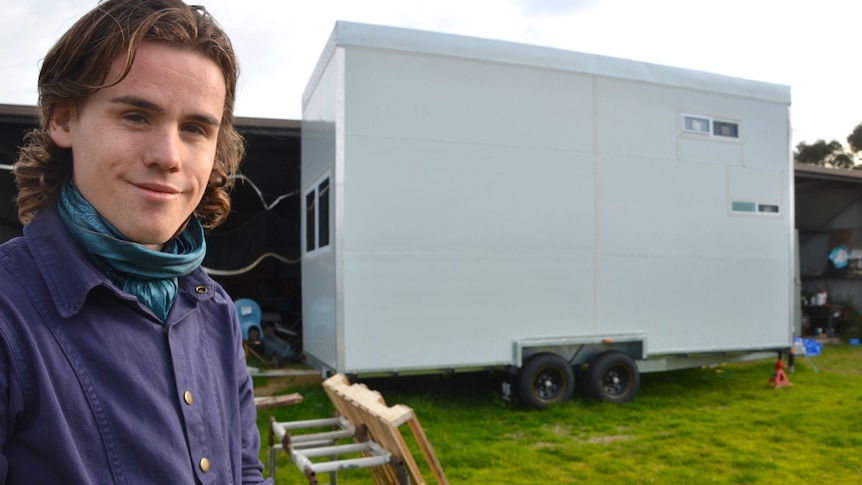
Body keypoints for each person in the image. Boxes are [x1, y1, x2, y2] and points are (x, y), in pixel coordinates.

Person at [0, 0, 273, 483]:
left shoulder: (215, 310)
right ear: (63, 120)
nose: (168, 156)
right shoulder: (9, 315)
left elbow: (247, 469)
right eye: (136, 116)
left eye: (194, 128)